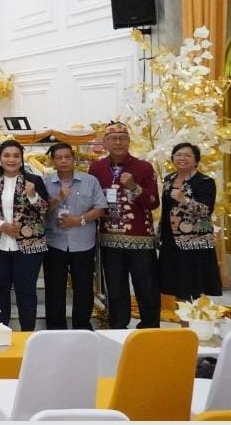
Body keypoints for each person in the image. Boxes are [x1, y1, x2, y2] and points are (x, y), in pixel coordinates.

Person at [89, 122, 161, 329]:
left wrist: (134, 187)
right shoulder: (96, 168)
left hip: (140, 239)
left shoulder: (143, 167)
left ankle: (149, 328)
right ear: (105, 143)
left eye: (122, 138)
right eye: (113, 138)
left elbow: (154, 202)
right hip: (109, 239)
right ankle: (119, 328)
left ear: (129, 141)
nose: (118, 142)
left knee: (146, 286)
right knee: (116, 287)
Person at [0, 140, 50, 331]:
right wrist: (0, 225)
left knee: (26, 291)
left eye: (16, 156)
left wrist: (33, 196)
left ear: (22, 160)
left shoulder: (34, 181)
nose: (11, 159)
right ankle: (0, 331)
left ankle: (27, 334)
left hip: (29, 246)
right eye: (6, 155)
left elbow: (45, 210)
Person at [42, 143, 107, 330]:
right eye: (59, 158)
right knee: (55, 289)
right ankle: (56, 329)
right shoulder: (46, 182)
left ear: (74, 159)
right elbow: (41, 210)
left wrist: (78, 220)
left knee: (83, 289)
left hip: (83, 242)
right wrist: (58, 198)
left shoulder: (90, 181)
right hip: (55, 243)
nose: (63, 161)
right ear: (53, 161)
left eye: (67, 157)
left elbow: (100, 208)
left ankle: (82, 327)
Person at [159, 142, 222, 301]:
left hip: (195, 240)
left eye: (187, 155)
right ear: (172, 158)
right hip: (170, 239)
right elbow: (166, 209)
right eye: (178, 154)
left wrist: (184, 200)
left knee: (193, 285)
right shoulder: (169, 179)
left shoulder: (205, 181)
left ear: (196, 160)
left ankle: (196, 320)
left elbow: (206, 211)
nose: (182, 158)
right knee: (177, 286)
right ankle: (184, 323)